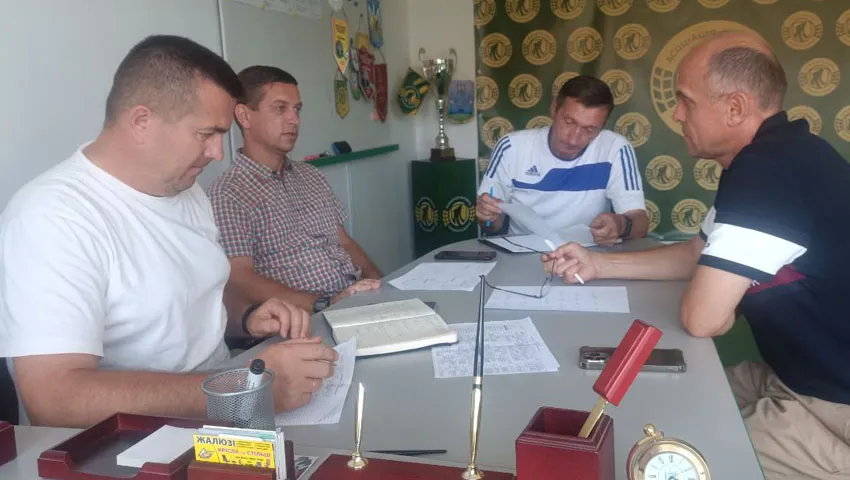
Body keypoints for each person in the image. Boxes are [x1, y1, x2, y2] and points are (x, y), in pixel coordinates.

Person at [545, 32, 850, 480]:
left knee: (659, 461)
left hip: (832, 405)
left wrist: (721, 297)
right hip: (794, 373)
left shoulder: (770, 172)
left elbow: (703, 318)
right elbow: (697, 254)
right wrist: (599, 264)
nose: (676, 114)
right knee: (663, 404)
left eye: (685, 101)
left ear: (735, 108)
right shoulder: (775, 156)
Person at [0, 36, 337, 428]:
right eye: (206, 134)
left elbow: (193, 303)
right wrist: (240, 392)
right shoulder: (53, 217)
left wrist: (247, 318)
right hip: (135, 443)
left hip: (221, 411)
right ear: (142, 122)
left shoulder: (186, 190)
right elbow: (55, 400)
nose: (217, 153)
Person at [206, 66, 381, 317]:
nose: (294, 120)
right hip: (305, 320)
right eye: (280, 109)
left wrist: (383, 289)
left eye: (297, 109)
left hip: (353, 302)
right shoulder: (229, 194)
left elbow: (345, 242)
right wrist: (324, 304)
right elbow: (240, 278)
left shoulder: (311, 176)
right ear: (244, 116)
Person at [476, 75, 649, 246]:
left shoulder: (615, 148)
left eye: (589, 130)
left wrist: (621, 225)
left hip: (590, 256)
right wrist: (487, 217)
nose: (574, 139)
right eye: (569, 122)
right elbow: (492, 225)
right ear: (553, 109)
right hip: (524, 253)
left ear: (602, 127)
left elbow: (640, 224)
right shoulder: (512, 148)